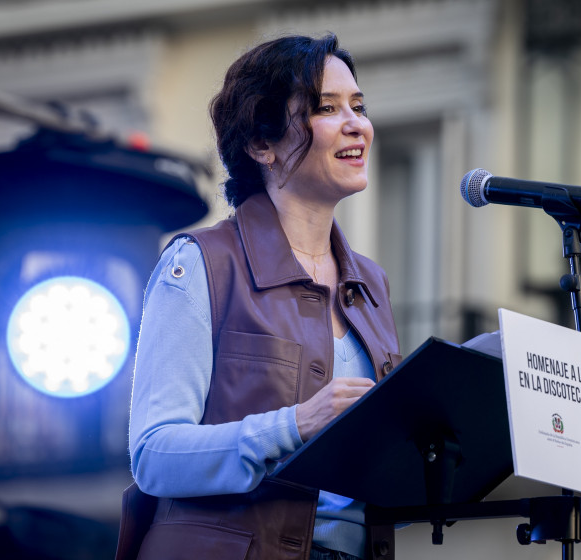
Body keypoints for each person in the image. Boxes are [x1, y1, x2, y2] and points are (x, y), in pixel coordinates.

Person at [115, 34, 402, 560]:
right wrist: (294, 425)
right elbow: (154, 454)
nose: (357, 123)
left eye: (358, 106)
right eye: (326, 108)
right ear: (260, 144)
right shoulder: (199, 262)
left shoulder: (371, 285)